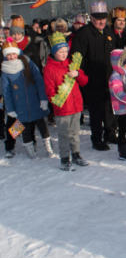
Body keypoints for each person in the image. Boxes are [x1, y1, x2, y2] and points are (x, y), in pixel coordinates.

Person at [70, 0, 117, 150]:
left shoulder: (109, 31)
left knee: (109, 109)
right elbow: (77, 57)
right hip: (92, 80)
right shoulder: (83, 34)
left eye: (103, 17)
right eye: (97, 18)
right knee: (96, 111)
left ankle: (110, 133)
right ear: (91, 18)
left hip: (109, 78)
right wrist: (82, 76)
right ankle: (97, 139)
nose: (101, 21)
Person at [44, 32, 89, 171]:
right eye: (60, 51)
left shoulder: (72, 64)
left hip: (75, 106)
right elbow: (49, 89)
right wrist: (56, 100)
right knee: (64, 134)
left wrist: (78, 74)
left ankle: (76, 154)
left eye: (65, 51)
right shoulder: (49, 69)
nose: (64, 54)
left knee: (75, 132)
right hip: (62, 108)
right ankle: (64, 157)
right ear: (54, 52)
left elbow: (84, 81)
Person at [1, 38, 53, 159]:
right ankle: (22, 149)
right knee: (21, 129)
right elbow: (6, 92)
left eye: (13, 53)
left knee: (43, 126)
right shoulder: (5, 70)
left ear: (17, 52)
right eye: (8, 55)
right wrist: (10, 109)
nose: (11, 57)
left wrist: (43, 99)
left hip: (36, 103)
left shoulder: (27, 62)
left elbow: (39, 80)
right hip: (20, 106)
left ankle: (48, 147)